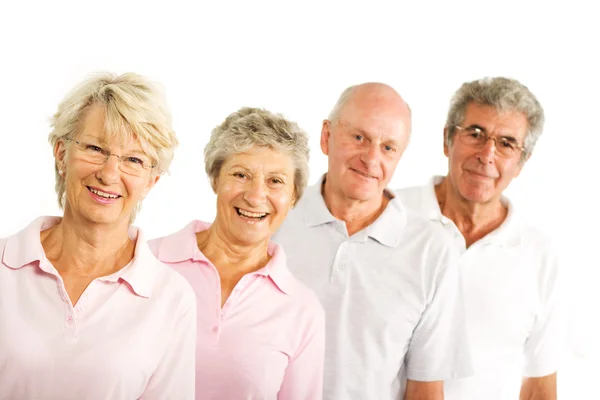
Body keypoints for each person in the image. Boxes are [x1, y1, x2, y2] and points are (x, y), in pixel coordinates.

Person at [0, 72, 197, 399]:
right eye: (95, 148)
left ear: (151, 181)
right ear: (62, 153)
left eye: (133, 159)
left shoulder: (172, 298)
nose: (108, 174)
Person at [272, 83, 472, 400]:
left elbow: (426, 390)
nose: (371, 159)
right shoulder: (272, 221)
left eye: (388, 148)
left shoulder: (432, 250)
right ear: (327, 136)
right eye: (359, 137)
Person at [396, 77, 562, 400]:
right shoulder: (389, 216)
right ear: (447, 139)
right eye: (475, 134)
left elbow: (540, 386)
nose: (487, 155)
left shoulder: (538, 255)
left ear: (521, 163)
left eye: (506, 144)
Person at [149, 107, 325, 399]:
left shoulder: (302, 310)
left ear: (293, 196)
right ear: (215, 178)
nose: (256, 196)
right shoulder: (146, 262)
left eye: (276, 181)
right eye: (241, 175)